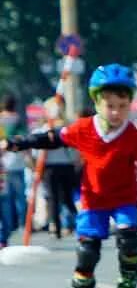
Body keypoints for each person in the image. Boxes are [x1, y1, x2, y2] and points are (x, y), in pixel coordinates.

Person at [0, 65, 137, 288]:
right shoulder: (84, 128)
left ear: (130, 104)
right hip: (93, 200)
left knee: (128, 239)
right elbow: (52, 138)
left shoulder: (134, 136)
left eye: (122, 105)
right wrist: (19, 143)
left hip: (124, 200)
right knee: (87, 252)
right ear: (97, 102)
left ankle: (129, 271)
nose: (116, 112)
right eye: (110, 105)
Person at [39, 98, 80, 238]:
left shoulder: (64, 128)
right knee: (63, 197)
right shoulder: (62, 127)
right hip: (62, 165)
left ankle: (60, 225)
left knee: (56, 197)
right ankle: (67, 224)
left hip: (56, 166)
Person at [0, 94, 27, 247]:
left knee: (6, 199)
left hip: (4, 164)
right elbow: (24, 140)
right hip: (16, 162)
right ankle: (20, 224)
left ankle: (6, 231)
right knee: (19, 197)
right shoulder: (18, 119)